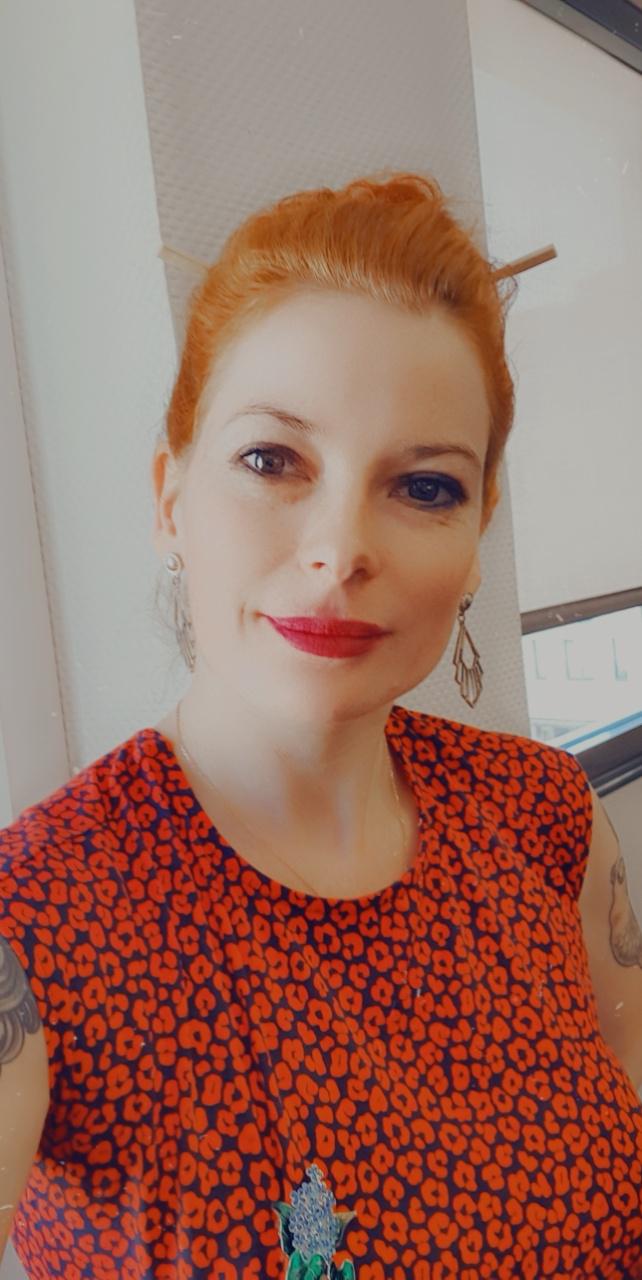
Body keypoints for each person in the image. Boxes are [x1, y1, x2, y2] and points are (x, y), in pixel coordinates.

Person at [0, 170, 641, 1280]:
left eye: (425, 488)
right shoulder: (38, 914)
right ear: (170, 498)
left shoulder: (545, 815)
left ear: (477, 538)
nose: (340, 549)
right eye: (272, 461)